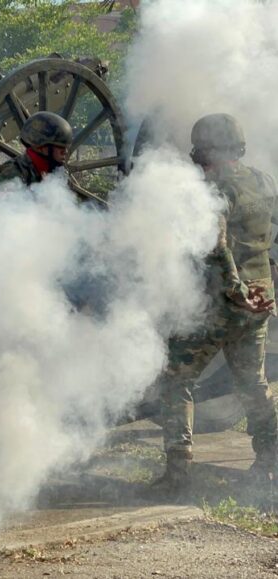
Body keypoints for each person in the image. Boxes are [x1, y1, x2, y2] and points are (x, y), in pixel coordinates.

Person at [152, 113, 278, 495]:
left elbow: (216, 247)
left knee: (176, 379)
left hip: (221, 304)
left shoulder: (214, 190)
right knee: (253, 385)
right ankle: (269, 466)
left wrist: (236, 288)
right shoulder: (263, 181)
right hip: (260, 300)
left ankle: (178, 472)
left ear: (204, 150)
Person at [0, 111, 73, 186]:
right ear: (41, 147)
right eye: (60, 148)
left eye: (66, 148)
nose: (65, 152)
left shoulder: (59, 174)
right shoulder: (13, 175)